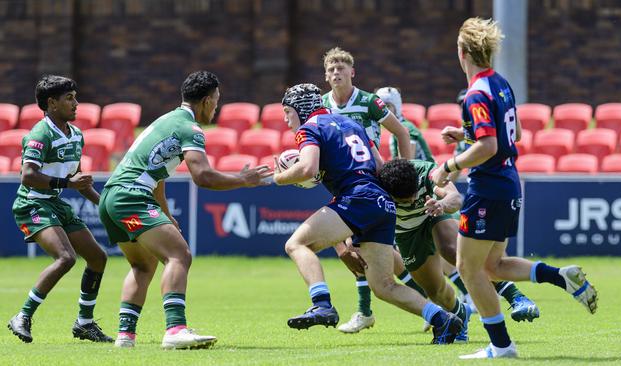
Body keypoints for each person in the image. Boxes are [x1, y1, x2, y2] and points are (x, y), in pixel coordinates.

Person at [430, 17, 598, 359]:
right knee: (493, 266)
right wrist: (466, 135)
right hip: (508, 184)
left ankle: (502, 346)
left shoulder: (475, 93)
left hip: (487, 188)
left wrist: (449, 166)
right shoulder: (501, 83)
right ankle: (561, 277)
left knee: (467, 268)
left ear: (461, 53)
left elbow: (490, 146)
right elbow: (515, 134)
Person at [274, 83, 463, 344]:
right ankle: (442, 319)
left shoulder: (310, 129)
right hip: (381, 201)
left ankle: (322, 304)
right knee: (384, 286)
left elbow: (307, 168)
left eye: (287, 111)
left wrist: (279, 177)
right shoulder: (353, 125)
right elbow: (379, 166)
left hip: (357, 198)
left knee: (296, 244)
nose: (285, 119)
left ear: (301, 108)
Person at [99, 71, 272, 349]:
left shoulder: (166, 120)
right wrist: (243, 179)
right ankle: (175, 330)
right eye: (216, 101)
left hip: (110, 197)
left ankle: (125, 336)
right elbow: (202, 176)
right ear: (205, 101)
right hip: (131, 197)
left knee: (143, 265)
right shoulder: (190, 129)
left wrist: (165, 214)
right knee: (179, 254)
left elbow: (157, 175)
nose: (216, 108)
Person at [376, 88, 539, 328]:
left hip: (436, 209)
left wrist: (441, 204)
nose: (411, 200)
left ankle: (514, 295)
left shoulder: (425, 172)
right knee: (435, 290)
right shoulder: (379, 190)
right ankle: (458, 313)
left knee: (453, 250)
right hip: (408, 229)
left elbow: (456, 198)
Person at [8, 75, 112, 344]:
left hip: (55, 202)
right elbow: (28, 175)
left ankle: (85, 324)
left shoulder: (76, 134)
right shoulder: (40, 134)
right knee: (65, 258)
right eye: (70, 98)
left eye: (75, 97)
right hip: (32, 203)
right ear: (52, 103)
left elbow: (80, 182)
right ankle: (22, 316)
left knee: (98, 257)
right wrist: (68, 183)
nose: (76, 103)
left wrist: (107, 207)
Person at [321, 47, 418, 333]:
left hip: (369, 180)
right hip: (341, 181)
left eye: (342, 68)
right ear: (326, 76)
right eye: (331, 69)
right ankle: (426, 300)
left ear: (353, 72)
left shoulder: (368, 102)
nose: (336, 72)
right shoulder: (323, 105)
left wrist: (404, 172)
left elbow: (401, 132)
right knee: (364, 250)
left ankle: (366, 312)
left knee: (351, 246)